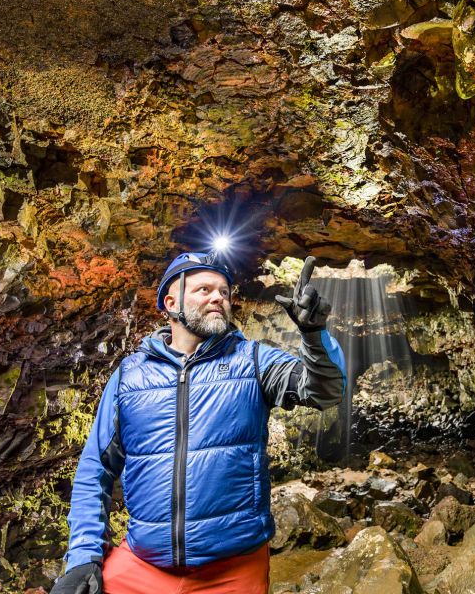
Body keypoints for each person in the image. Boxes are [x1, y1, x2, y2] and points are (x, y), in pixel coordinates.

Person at [50, 252, 347, 594]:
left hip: (233, 569)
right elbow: (94, 470)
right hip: (143, 564)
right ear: (170, 302)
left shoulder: (253, 360)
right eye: (204, 289)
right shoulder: (130, 376)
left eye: (224, 291)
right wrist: (84, 556)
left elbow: (326, 391)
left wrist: (314, 333)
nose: (219, 297)